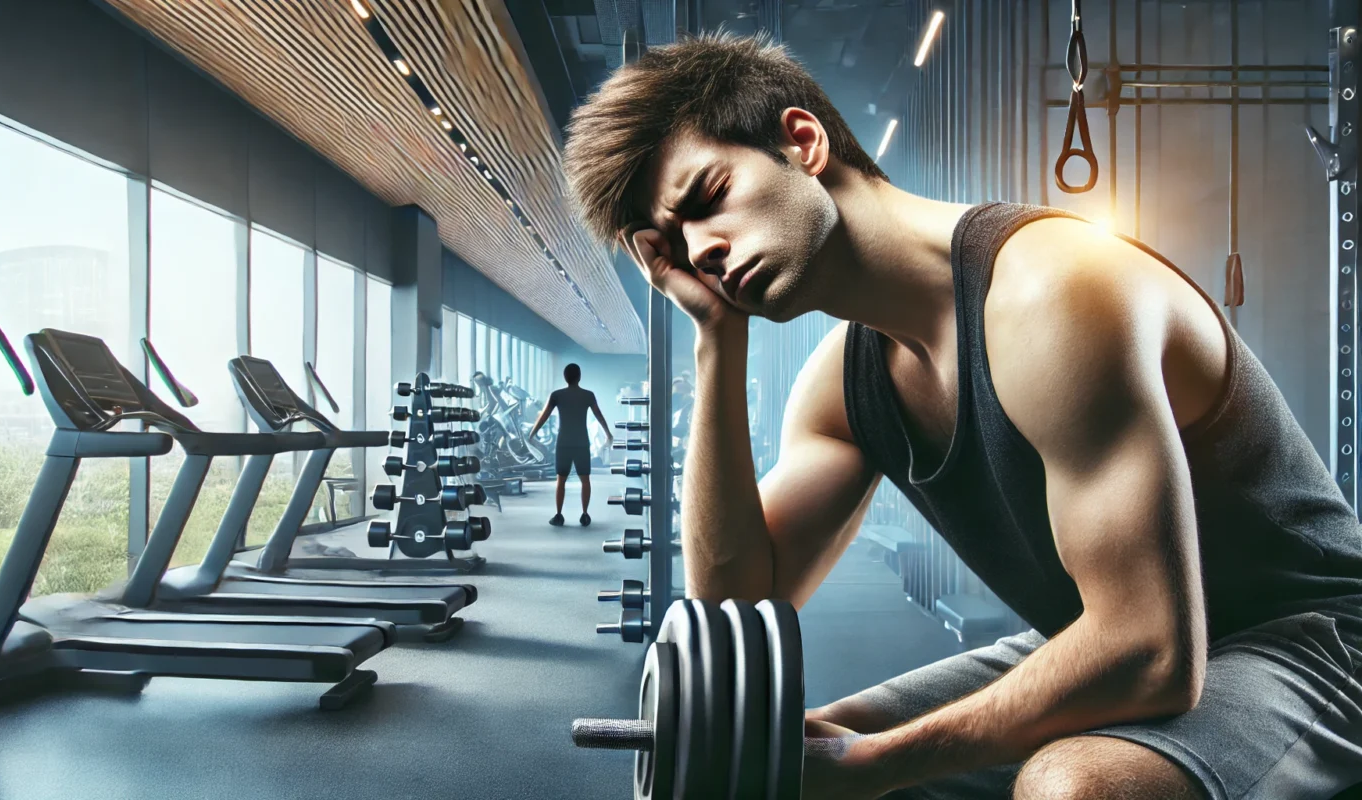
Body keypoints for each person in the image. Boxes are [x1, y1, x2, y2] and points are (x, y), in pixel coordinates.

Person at [561, 33, 1362, 800]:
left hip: (1314, 644)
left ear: (802, 141)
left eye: (708, 198)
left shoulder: (1051, 291)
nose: (703, 248)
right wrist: (715, 343)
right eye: (674, 243)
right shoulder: (844, 385)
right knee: (782, 751)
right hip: (1113, 626)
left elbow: (1150, 652)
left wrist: (878, 765)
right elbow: (732, 613)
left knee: (1071, 787)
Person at [529, 363, 613, 526]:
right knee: (585, 480)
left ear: (565, 377)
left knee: (561, 480)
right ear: (579, 377)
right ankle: (585, 514)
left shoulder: (557, 395)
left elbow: (544, 416)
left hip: (564, 442)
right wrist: (608, 433)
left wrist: (532, 433)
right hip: (581, 442)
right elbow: (599, 415)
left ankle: (559, 515)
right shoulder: (588, 395)